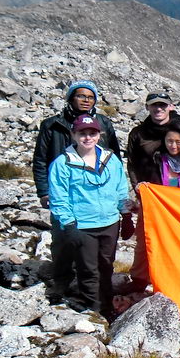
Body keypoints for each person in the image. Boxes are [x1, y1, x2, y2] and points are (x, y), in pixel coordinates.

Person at [48, 114, 130, 321]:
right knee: (88, 269)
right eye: (82, 133)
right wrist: (68, 225)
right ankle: (94, 309)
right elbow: (59, 196)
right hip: (83, 225)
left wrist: (126, 215)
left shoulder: (110, 159)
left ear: (99, 135)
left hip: (110, 222)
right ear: (73, 134)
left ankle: (106, 301)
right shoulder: (62, 163)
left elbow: (121, 189)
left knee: (106, 265)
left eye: (92, 133)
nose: (87, 138)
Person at [121, 91, 180, 293]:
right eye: (154, 105)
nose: (158, 109)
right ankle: (139, 279)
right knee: (144, 239)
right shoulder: (138, 133)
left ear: (170, 107)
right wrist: (137, 187)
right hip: (151, 199)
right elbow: (132, 164)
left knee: (179, 240)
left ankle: (178, 278)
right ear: (147, 107)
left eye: (163, 105)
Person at [33, 80, 120, 209]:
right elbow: (40, 160)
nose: (86, 100)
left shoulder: (104, 123)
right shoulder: (52, 125)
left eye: (91, 97)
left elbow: (114, 157)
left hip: (97, 189)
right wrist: (44, 192)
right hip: (63, 189)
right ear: (70, 98)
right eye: (81, 96)